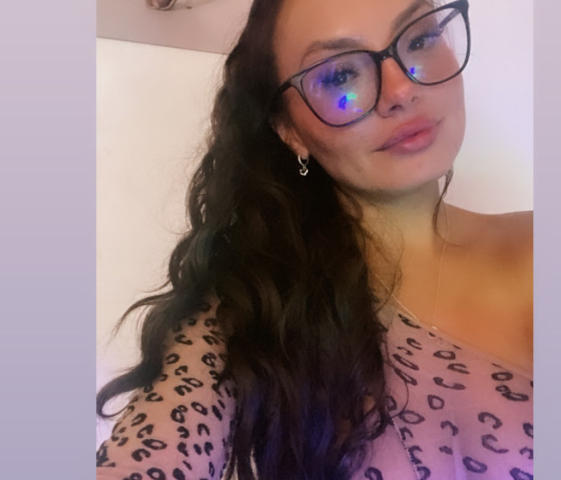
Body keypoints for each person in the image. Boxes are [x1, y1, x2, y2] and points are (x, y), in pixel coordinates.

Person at [96, 0, 533, 478]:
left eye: (420, 39)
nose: (401, 89)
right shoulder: (256, 312)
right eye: (340, 75)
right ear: (290, 131)